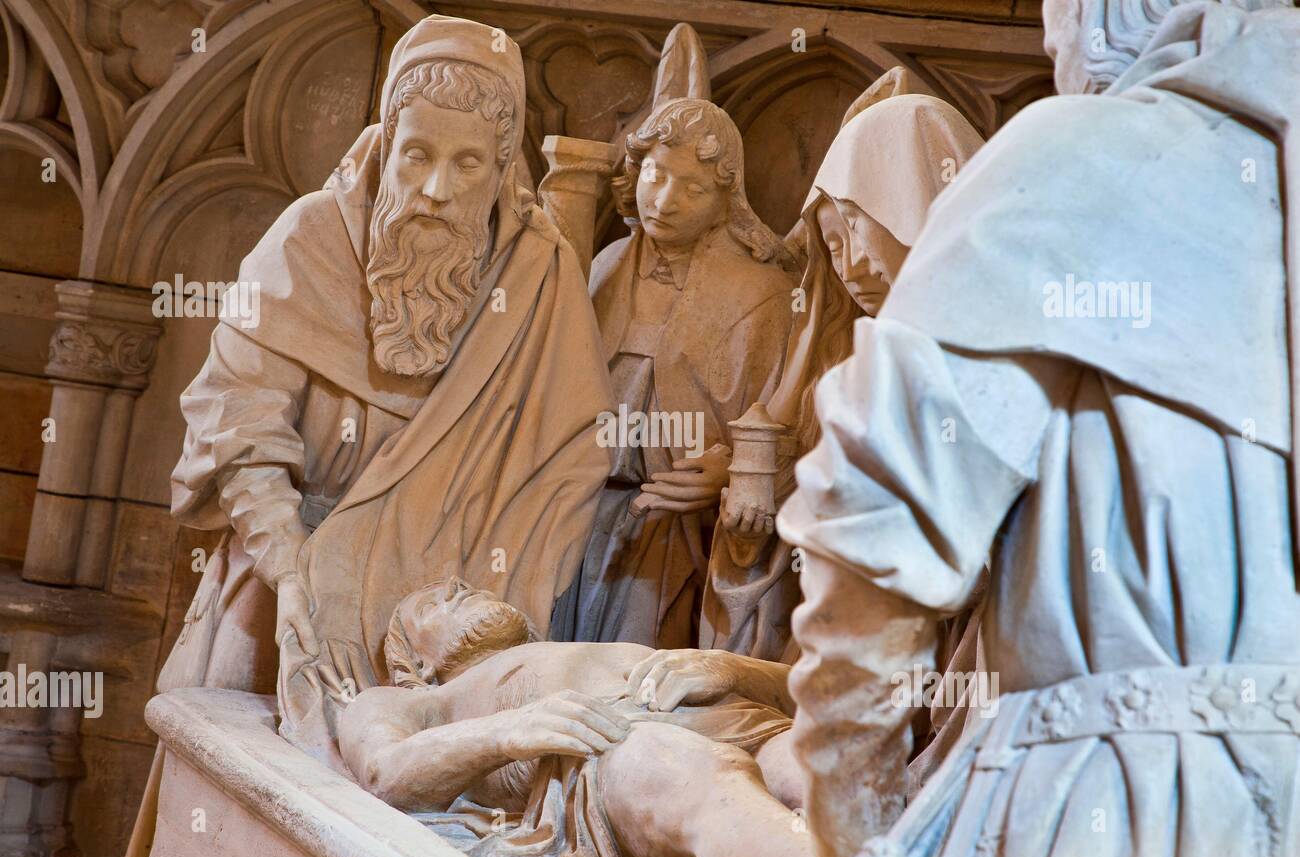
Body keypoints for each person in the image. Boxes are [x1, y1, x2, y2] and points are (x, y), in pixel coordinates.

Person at [779, 0, 1300, 857]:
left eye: (1055, 21)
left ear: (1104, 21)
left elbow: (873, 539)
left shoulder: (1072, 160)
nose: (1052, 47)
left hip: (1115, 809)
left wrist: (857, 827)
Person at [163, 14, 614, 777]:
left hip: (445, 627)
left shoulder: (539, 276)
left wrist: (484, 618)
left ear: (504, 167)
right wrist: (293, 567)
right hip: (286, 588)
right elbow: (236, 424)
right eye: (418, 156)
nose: (437, 189)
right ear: (386, 137)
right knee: (236, 796)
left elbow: (571, 459)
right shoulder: (307, 240)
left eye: (468, 164)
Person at [700, 85, 984, 663]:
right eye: (832, 241)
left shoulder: (994, 353)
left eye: (859, 223)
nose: (851, 264)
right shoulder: (872, 359)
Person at [550, 98, 797, 650]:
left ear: (725, 201)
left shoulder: (761, 295)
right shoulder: (604, 264)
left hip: (679, 537)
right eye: (656, 175)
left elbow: (785, 429)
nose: (665, 201)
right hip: (576, 515)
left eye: (693, 188)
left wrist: (731, 472)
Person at [339, 578, 809, 857]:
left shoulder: (577, 644)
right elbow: (386, 773)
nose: (459, 590)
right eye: (432, 604)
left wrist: (732, 668)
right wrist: (508, 731)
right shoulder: (419, 701)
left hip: (744, 718)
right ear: (416, 668)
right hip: (612, 744)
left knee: (835, 765)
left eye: (461, 587)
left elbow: (819, 693)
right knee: (694, 777)